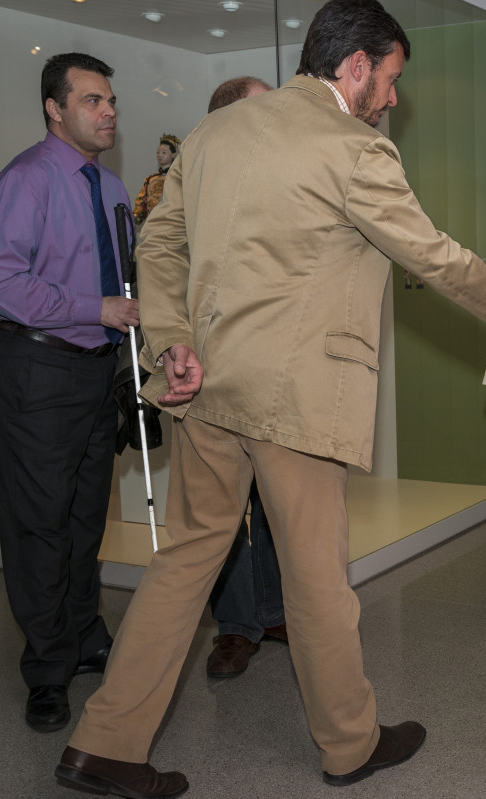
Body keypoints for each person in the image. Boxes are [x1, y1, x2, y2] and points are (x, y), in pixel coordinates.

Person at [55, 2, 486, 796]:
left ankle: (103, 742)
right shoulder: (352, 147)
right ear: (357, 66)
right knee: (318, 580)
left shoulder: (213, 134)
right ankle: (350, 744)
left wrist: (170, 338)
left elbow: (157, 243)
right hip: (295, 398)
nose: (392, 98)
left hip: (202, 387)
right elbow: (432, 255)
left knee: (183, 561)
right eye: (390, 79)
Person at [0, 52, 140, 733]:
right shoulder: (26, 180)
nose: (108, 111)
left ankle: (83, 633)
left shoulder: (112, 187)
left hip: (96, 371)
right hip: (36, 370)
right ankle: (47, 667)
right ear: (55, 108)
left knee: (84, 517)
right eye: (92, 100)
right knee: (39, 523)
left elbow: (124, 280)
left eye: (111, 100)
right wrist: (93, 308)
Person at [201, 75, 288, 678]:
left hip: (279, 371)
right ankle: (235, 626)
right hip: (215, 377)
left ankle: (276, 610)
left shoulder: (286, 181)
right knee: (224, 512)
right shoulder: (196, 187)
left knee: (278, 499)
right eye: (265, 107)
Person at [131, 134, 181, 225]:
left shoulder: (178, 178)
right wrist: (132, 218)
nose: (160, 155)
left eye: (164, 153)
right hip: (152, 225)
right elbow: (142, 205)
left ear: (173, 155)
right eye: (158, 152)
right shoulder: (150, 180)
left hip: (172, 225)